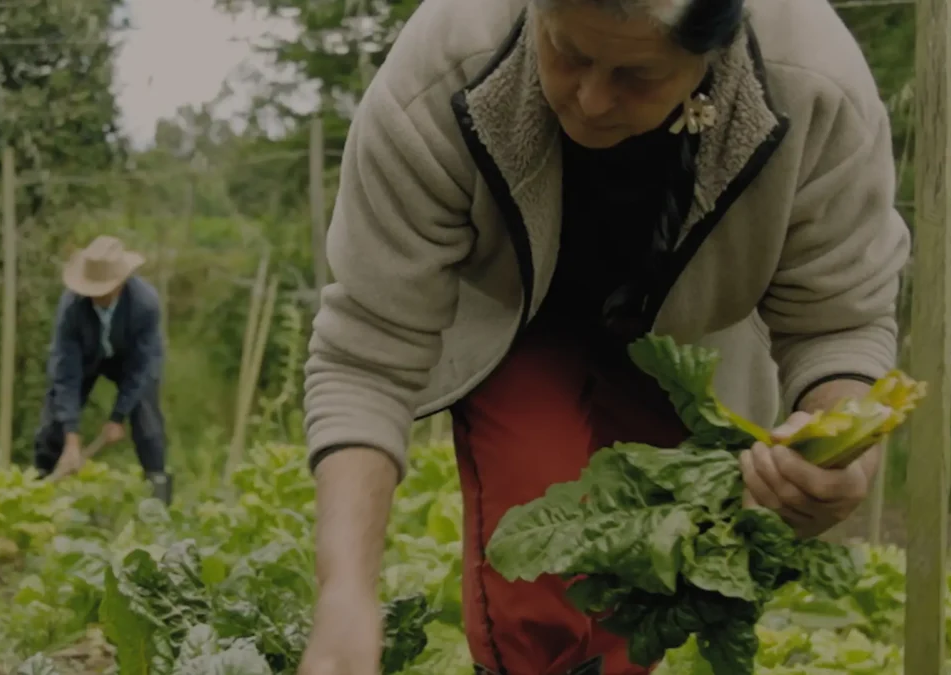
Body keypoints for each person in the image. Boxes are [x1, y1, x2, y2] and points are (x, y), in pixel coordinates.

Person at [297, 0, 910, 673]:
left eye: (637, 75)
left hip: (689, 348)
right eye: (568, 54)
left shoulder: (816, 86)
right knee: (531, 577)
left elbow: (839, 321)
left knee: (636, 576)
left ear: (712, 50)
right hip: (519, 326)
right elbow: (368, 351)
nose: (589, 100)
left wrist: (838, 453)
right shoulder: (444, 71)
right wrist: (346, 594)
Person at [32, 235, 172, 505]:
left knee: (147, 418)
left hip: (130, 360)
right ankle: (42, 487)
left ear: (119, 283)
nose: (95, 295)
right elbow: (66, 372)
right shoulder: (72, 308)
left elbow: (141, 368)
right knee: (54, 420)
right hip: (86, 357)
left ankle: (159, 500)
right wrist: (72, 439)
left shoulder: (145, 304)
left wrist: (117, 418)